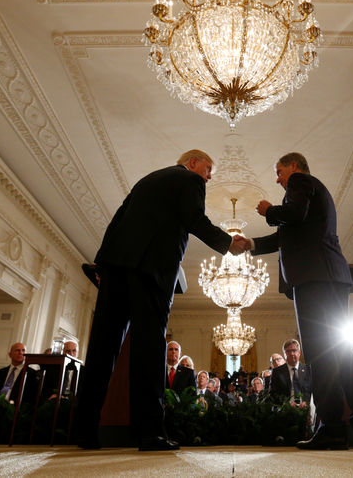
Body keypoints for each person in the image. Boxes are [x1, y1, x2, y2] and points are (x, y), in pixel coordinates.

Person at [75, 150, 245, 452]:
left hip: (116, 267)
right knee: (149, 348)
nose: (208, 176)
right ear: (192, 163)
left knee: (102, 348)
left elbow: (117, 221)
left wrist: (102, 264)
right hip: (151, 270)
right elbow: (194, 218)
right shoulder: (189, 179)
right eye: (208, 169)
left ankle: (84, 431)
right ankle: (150, 432)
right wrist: (228, 243)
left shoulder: (146, 180)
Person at [243, 152, 353, 450]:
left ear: (293, 166)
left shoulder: (300, 182)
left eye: (279, 171)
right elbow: (285, 237)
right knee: (340, 354)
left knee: (320, 354)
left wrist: (268, 210)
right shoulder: (306, 194)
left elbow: (292, 216)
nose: (278, 178)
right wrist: (249, 245)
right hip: (328, 277)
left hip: (316, 279)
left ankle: (332, 429)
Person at [269, 339, 312, 404]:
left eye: (294, 350)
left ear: (299, 353)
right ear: (284, 354)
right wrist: (287, 403)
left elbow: (313, 391)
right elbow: (273, 394)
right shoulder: (277, 372)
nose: (291, 354)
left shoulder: (308, 370)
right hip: (286, 409)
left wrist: (307, 402)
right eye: (288, 351)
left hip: (307, 409)